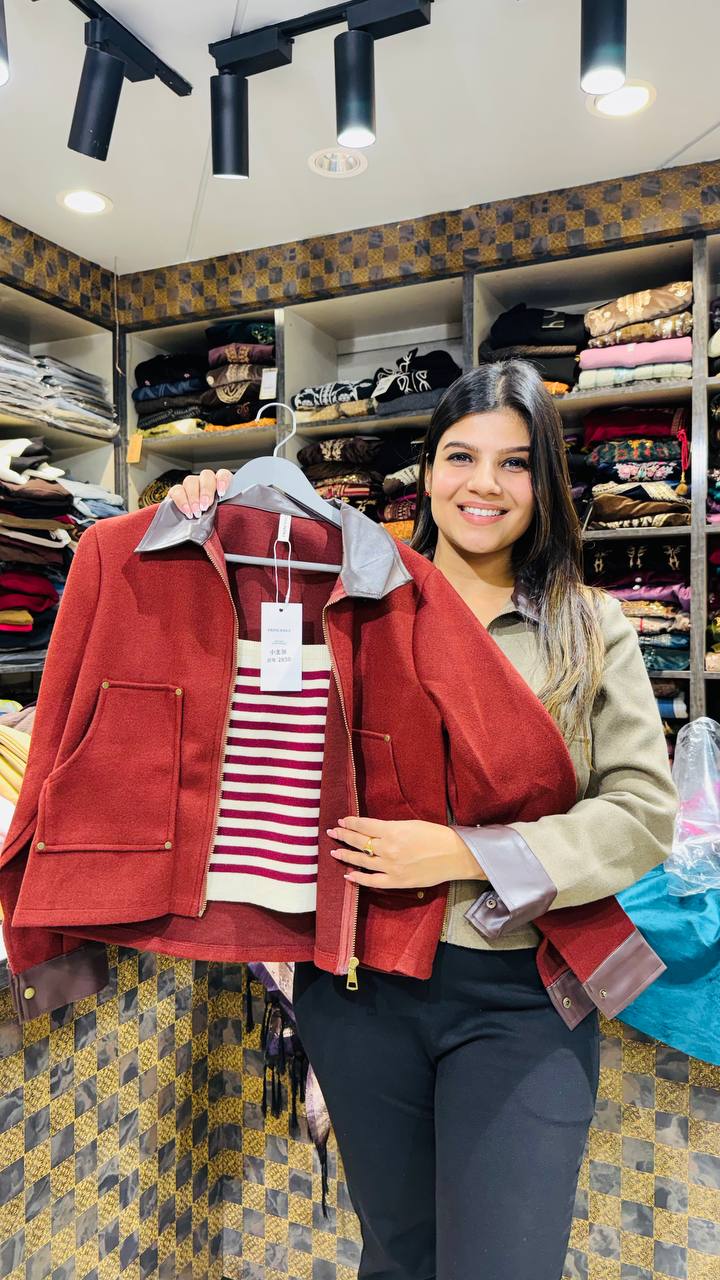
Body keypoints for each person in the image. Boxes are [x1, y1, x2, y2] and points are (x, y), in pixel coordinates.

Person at [168, 361, 677, 1280]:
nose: (485, 484)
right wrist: (207, 514)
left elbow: (641, 813)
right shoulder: (351, 602)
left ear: (546, 482)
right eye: (460, 456)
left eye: (515, 463)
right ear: (428, 470)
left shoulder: (588, 626)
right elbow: (226, 674)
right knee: (399, 1257)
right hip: (361, 988)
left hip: (522, 994)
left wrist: (466, 853)